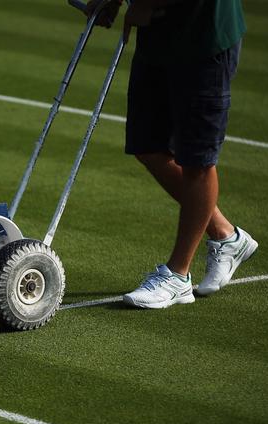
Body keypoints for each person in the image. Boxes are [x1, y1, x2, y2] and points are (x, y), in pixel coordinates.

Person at [85, 0, 258, 308]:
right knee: (146, 144)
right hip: (158, 39)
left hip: (203, 39)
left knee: (197, 161)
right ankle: (226, 236)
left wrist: (146, 4)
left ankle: (178, 276)